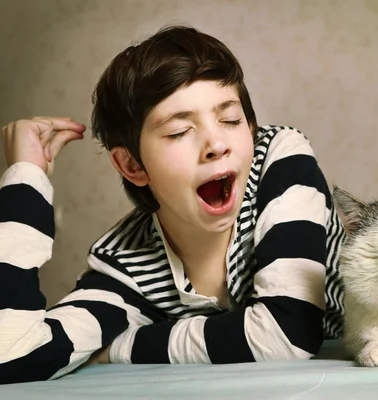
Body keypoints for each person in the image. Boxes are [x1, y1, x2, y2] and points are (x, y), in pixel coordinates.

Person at [0, 25, 346, 384]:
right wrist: (25, 177)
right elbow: (12, 353)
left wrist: (121, 346)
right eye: (179, 131)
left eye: (230, 120)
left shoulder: (279, 158)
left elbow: (287, 333)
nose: (216, 143)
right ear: (133, 166)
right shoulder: (125, 267)